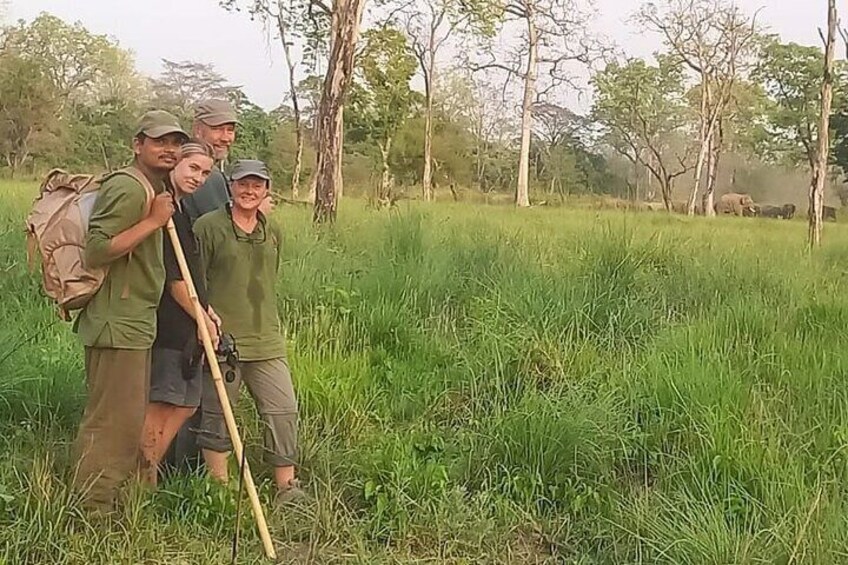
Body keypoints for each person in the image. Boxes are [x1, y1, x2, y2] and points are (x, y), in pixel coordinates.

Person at [71, 110, 188, 512]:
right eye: (159, 141)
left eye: (175, 143)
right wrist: (154, 221)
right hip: (116, 323)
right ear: (137, 144)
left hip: (133, 322)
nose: (169, 149)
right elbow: (97, 250)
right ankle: (93, 509)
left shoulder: (150, 185)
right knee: (111, 423)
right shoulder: (129, 187)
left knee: (127, 419)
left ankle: (114, 498)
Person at [193, 159, 304, 504]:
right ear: (230, 186)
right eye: (243, 183)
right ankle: (219, 489)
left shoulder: (272, 232)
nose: (249, 191)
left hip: (267, 339)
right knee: (218, 414)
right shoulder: (207, 228)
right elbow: (195, 284)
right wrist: (205, 324)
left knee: (283, 410)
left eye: (257, 185)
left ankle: (286, 487)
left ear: (267, 190)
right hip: (222, 340)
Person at [139, 140, 221, 487]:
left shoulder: (183, 211)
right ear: (175, 165)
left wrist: (208, 312)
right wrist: (200, 318)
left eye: (205, 172)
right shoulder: (163, 211)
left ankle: (148, 471)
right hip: (169, 326)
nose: (199, 178)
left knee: (185, 406)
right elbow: (173, 280)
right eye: (193, 168)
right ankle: (142, 479)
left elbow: (191, 274)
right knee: (162, 405)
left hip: (190, 325)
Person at [180, 99, 238, 223]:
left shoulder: (183, 162)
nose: (225, 138)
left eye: (230, 130)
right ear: (197, 130)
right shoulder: (207, 174)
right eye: (217, 129)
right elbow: (223, 230)